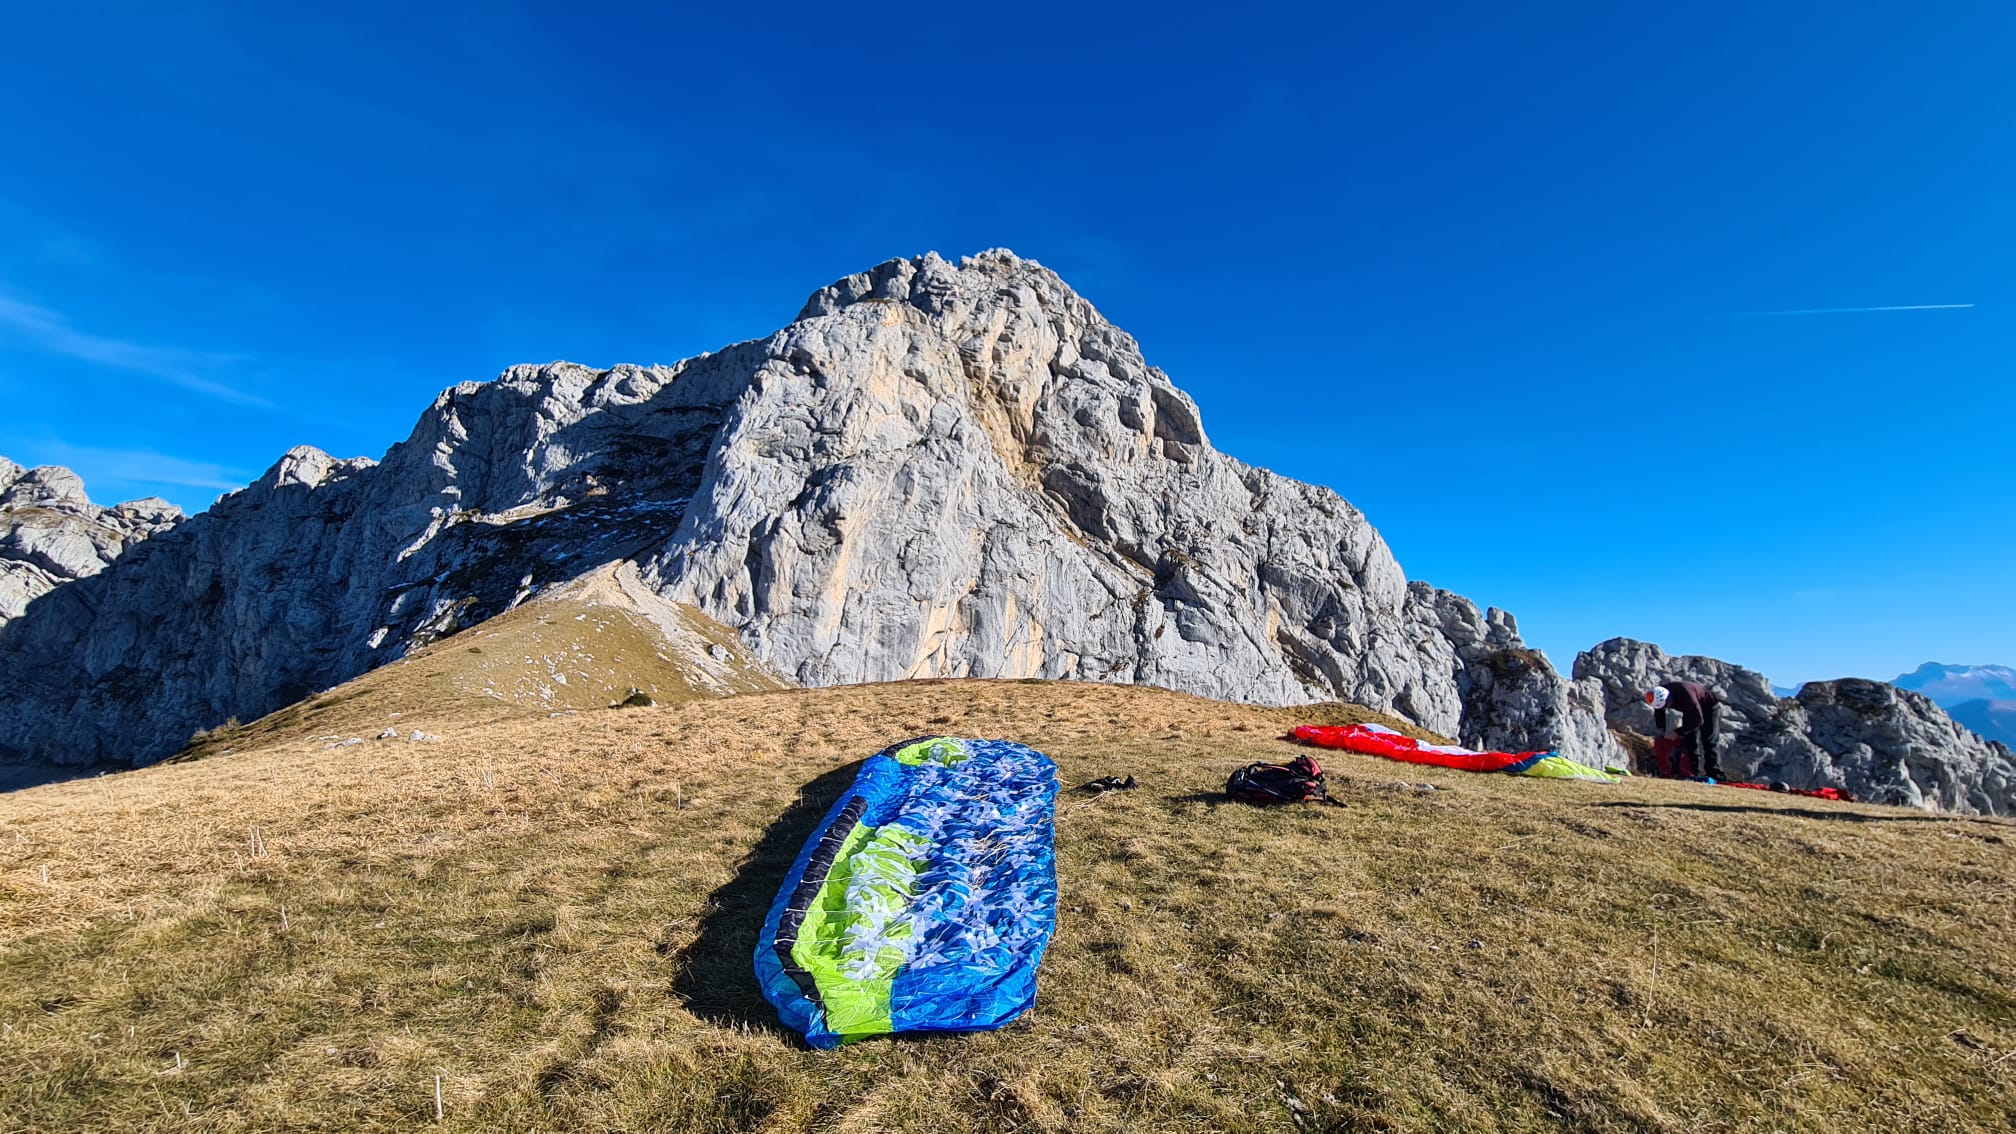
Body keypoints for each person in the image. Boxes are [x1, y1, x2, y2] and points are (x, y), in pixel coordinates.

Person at [1644, 681, 1722, 780]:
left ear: (1669, 698)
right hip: (1689, 710)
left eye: (1666, 705)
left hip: (1708, 706)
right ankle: (1693, 773)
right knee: (1690, 741)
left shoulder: (1685, 694)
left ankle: (1716, 775)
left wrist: (1677, 732)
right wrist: (1661, 731)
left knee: (1709, 741)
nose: (1667, 708)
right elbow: (1659, 713)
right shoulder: (1657, 694)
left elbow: (1698, 720)